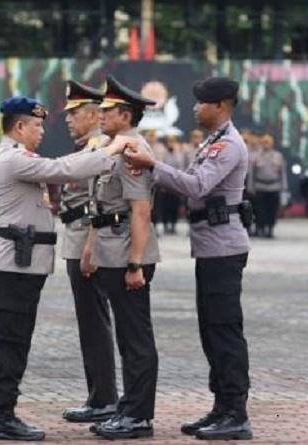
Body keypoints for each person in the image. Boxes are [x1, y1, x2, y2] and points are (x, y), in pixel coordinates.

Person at [0, 96, 125, 441]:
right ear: (19, 127)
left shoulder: (19, 156)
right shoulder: (15, 159)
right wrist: (110, 151)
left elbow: (63, 163)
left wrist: (100, 151)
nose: (42, 131)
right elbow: (63, 169)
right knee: (11, 341)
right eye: (37, 125)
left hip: (21, 264)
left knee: (9, 338)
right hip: (14, 265)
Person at [123, 76, 253, 441]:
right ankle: (222, 407)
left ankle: (236, 413)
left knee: (225, 330)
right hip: (211, 247)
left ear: (221, 105)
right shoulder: (213, 142)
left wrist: (152, 166)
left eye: (201, 103)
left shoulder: (228, 145)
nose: (195, 108)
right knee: (211, 330)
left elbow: (196, 186)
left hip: (223, 250)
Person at [81, 75, 160, 440]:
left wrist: (135, 264)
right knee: (128, 338)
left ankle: (139, 416)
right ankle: (129, 409)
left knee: (135, 337)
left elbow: (140, 211)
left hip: (129, 253)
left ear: (125, 116)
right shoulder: (114, 146)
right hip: (113, 250)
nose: (101, 114)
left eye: (108, 110)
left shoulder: (132, 153)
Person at [58, 80, 118, 424]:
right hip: (76, 233)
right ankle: (99, 395)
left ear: (94, 114)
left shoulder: (99, 147)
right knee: (90, 320)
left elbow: (99, 201)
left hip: (87, 238)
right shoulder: (89, 146)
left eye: (75, 113)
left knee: (94, 320)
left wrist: (91, 247)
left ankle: (104, 398)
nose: (68, 120)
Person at [249, 134, 286, 238]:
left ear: (272, 144)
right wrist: (251, 187)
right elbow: (252, 174)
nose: (266, 144)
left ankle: (270, 228)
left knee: (272, 210)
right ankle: (262, 228)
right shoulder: (257, 157)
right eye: (264, 142)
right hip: (260, 187)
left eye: (268, 142)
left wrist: (284, 188)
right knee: (261, 210)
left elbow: (282, 173)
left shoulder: (278, 156)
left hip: (274, 187)